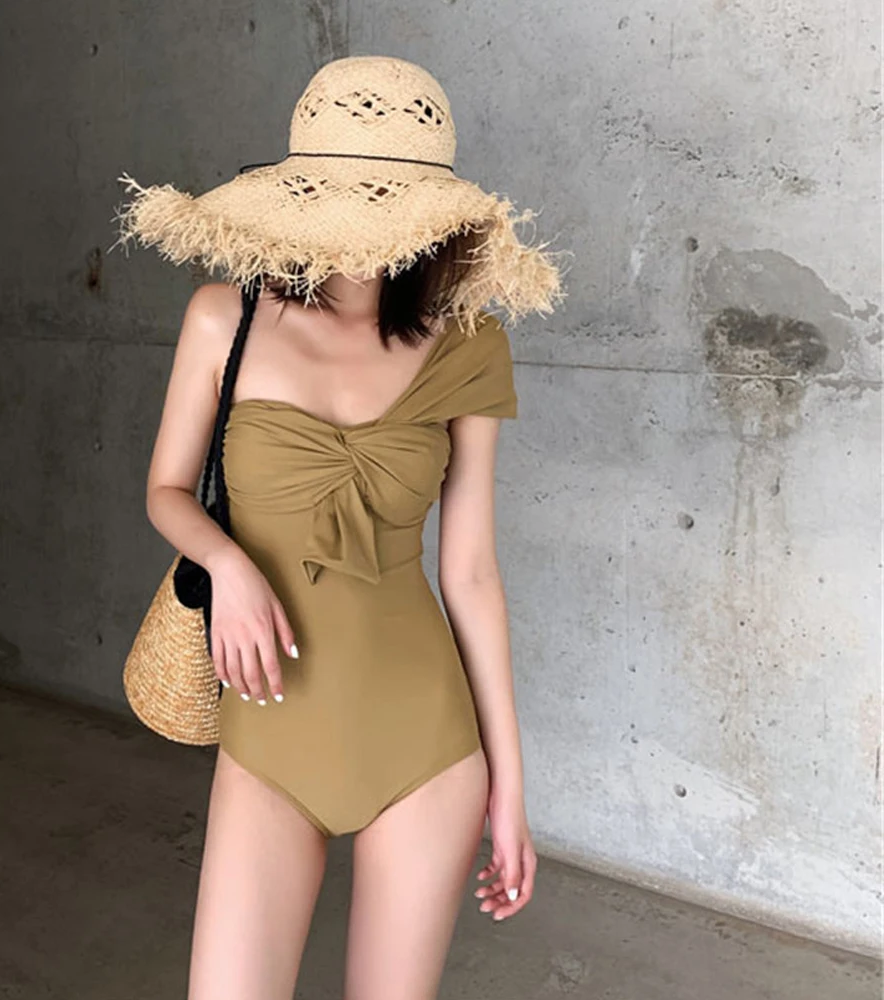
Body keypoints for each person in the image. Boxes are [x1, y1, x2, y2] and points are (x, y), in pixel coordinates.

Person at [114, 54, 566, 1000]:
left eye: (386, 202)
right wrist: (229, 564)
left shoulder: (470, 344)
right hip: (271, 733)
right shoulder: (225, 319)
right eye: (343, 196)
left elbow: (472, 574)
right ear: (299, 197)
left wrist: (511, 790)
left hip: (426, 743)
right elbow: (166, 490)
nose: (361, 227)